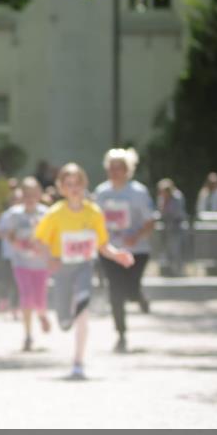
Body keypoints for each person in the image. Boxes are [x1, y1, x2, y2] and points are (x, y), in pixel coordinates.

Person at [34, 164, 134, 378]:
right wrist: (48, 259)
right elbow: (39, 242)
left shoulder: (94, 212)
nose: (74, 188)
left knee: (82, 309)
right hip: (62, 267)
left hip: (84, 266)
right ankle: (66, 317)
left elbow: (103, 245)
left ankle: (78, 361)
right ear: (61, 188)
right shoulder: (54, 214)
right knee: (63, 321)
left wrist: (118, 255)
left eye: (78, 183)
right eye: (69, 184)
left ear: (84, 185)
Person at [93, 147, 154, 353]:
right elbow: (94, 220)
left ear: (128, 170)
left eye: (119, 167)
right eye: (111, 167)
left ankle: (139, 296)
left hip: (137, 250)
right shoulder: (102, 192)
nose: (115, 171)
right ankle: (121, 334)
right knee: (115, 291)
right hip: (110, 251)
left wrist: (135, 236)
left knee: (130, 290)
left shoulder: (138, 192)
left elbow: (150, 221)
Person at [0, 177, 50, 351]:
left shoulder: (46, 213)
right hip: (20, 263)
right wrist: (15, 241)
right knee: (26, 297)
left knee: (39, 299)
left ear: (39, 195)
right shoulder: (14, 214)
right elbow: (2, 232)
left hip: (41, 264)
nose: (30, 198)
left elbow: (53, 236)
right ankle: (28, 336)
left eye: (33, 194)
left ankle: (41, 314)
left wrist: (41, 246)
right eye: (26, 195)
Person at [156, 178, 187, 277]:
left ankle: (178, 271)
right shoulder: (162, 198)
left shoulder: (177, 197)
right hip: (166, 227)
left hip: (176, 227)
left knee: (176, 250)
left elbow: (177, 213)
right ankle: (168, 271)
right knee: (167, 250)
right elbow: (161, 212)